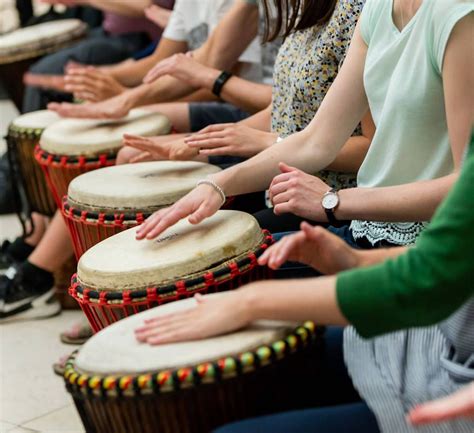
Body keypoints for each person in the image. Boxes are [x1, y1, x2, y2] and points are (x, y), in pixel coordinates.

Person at [135, 131, 474, 432]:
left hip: (448, 378)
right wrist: (355, 261)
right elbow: (449, 258)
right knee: (246, 376)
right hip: (437, 339)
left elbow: (429, 280)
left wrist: (251, 300)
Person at [122, 0, 374, 233]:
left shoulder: (356, 12)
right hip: (278, 183)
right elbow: (282, 109)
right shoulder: (307, 8)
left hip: (328, 198)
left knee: (197, 242)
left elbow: (368, 147)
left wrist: (264, 143)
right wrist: (196, 144)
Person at [22, 0, 174, 113]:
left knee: (41, 73)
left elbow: (147, 6)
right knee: (44, 69)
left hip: (138, 40)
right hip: (108, 33)